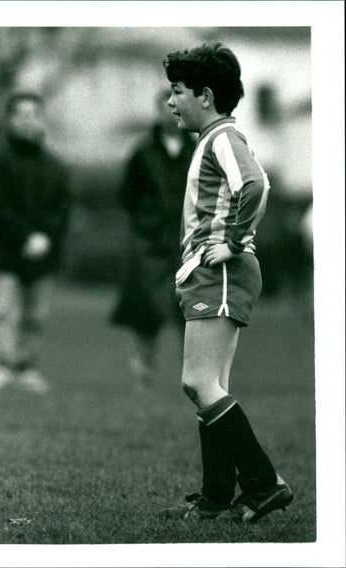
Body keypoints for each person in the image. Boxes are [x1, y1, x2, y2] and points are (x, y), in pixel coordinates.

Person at [158, 43, 293, 523]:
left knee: (197, 382)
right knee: (210, 386)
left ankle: (265, 483)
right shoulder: (215, 138)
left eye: (177, 92)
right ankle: (216, 495)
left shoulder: (221, 138)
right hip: (216, 272)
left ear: (206, 96)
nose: (170, 101)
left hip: (220, 271)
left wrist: (233, 244)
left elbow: (256, 184)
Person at [0, 91, 72, 394]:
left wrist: (45, 237)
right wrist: (26, 236)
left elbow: (62, 208)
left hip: (43, 254)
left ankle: (27, 367)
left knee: (36, 315)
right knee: (1, 312)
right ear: (9, 120)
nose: (29, 121)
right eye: (22, 115)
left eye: (34, 114)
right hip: (3, 252)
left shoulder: (56, 166)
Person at [110, 88, 195, 389]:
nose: (171, 113)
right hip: (151, 243)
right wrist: (147, 224)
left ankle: (196, 377)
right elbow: (127, 197)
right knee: (147, 312)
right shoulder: (142, 152)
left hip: (187, 243)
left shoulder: (197, 149)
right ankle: (143, 372)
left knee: (191, 311)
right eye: (165, 107)